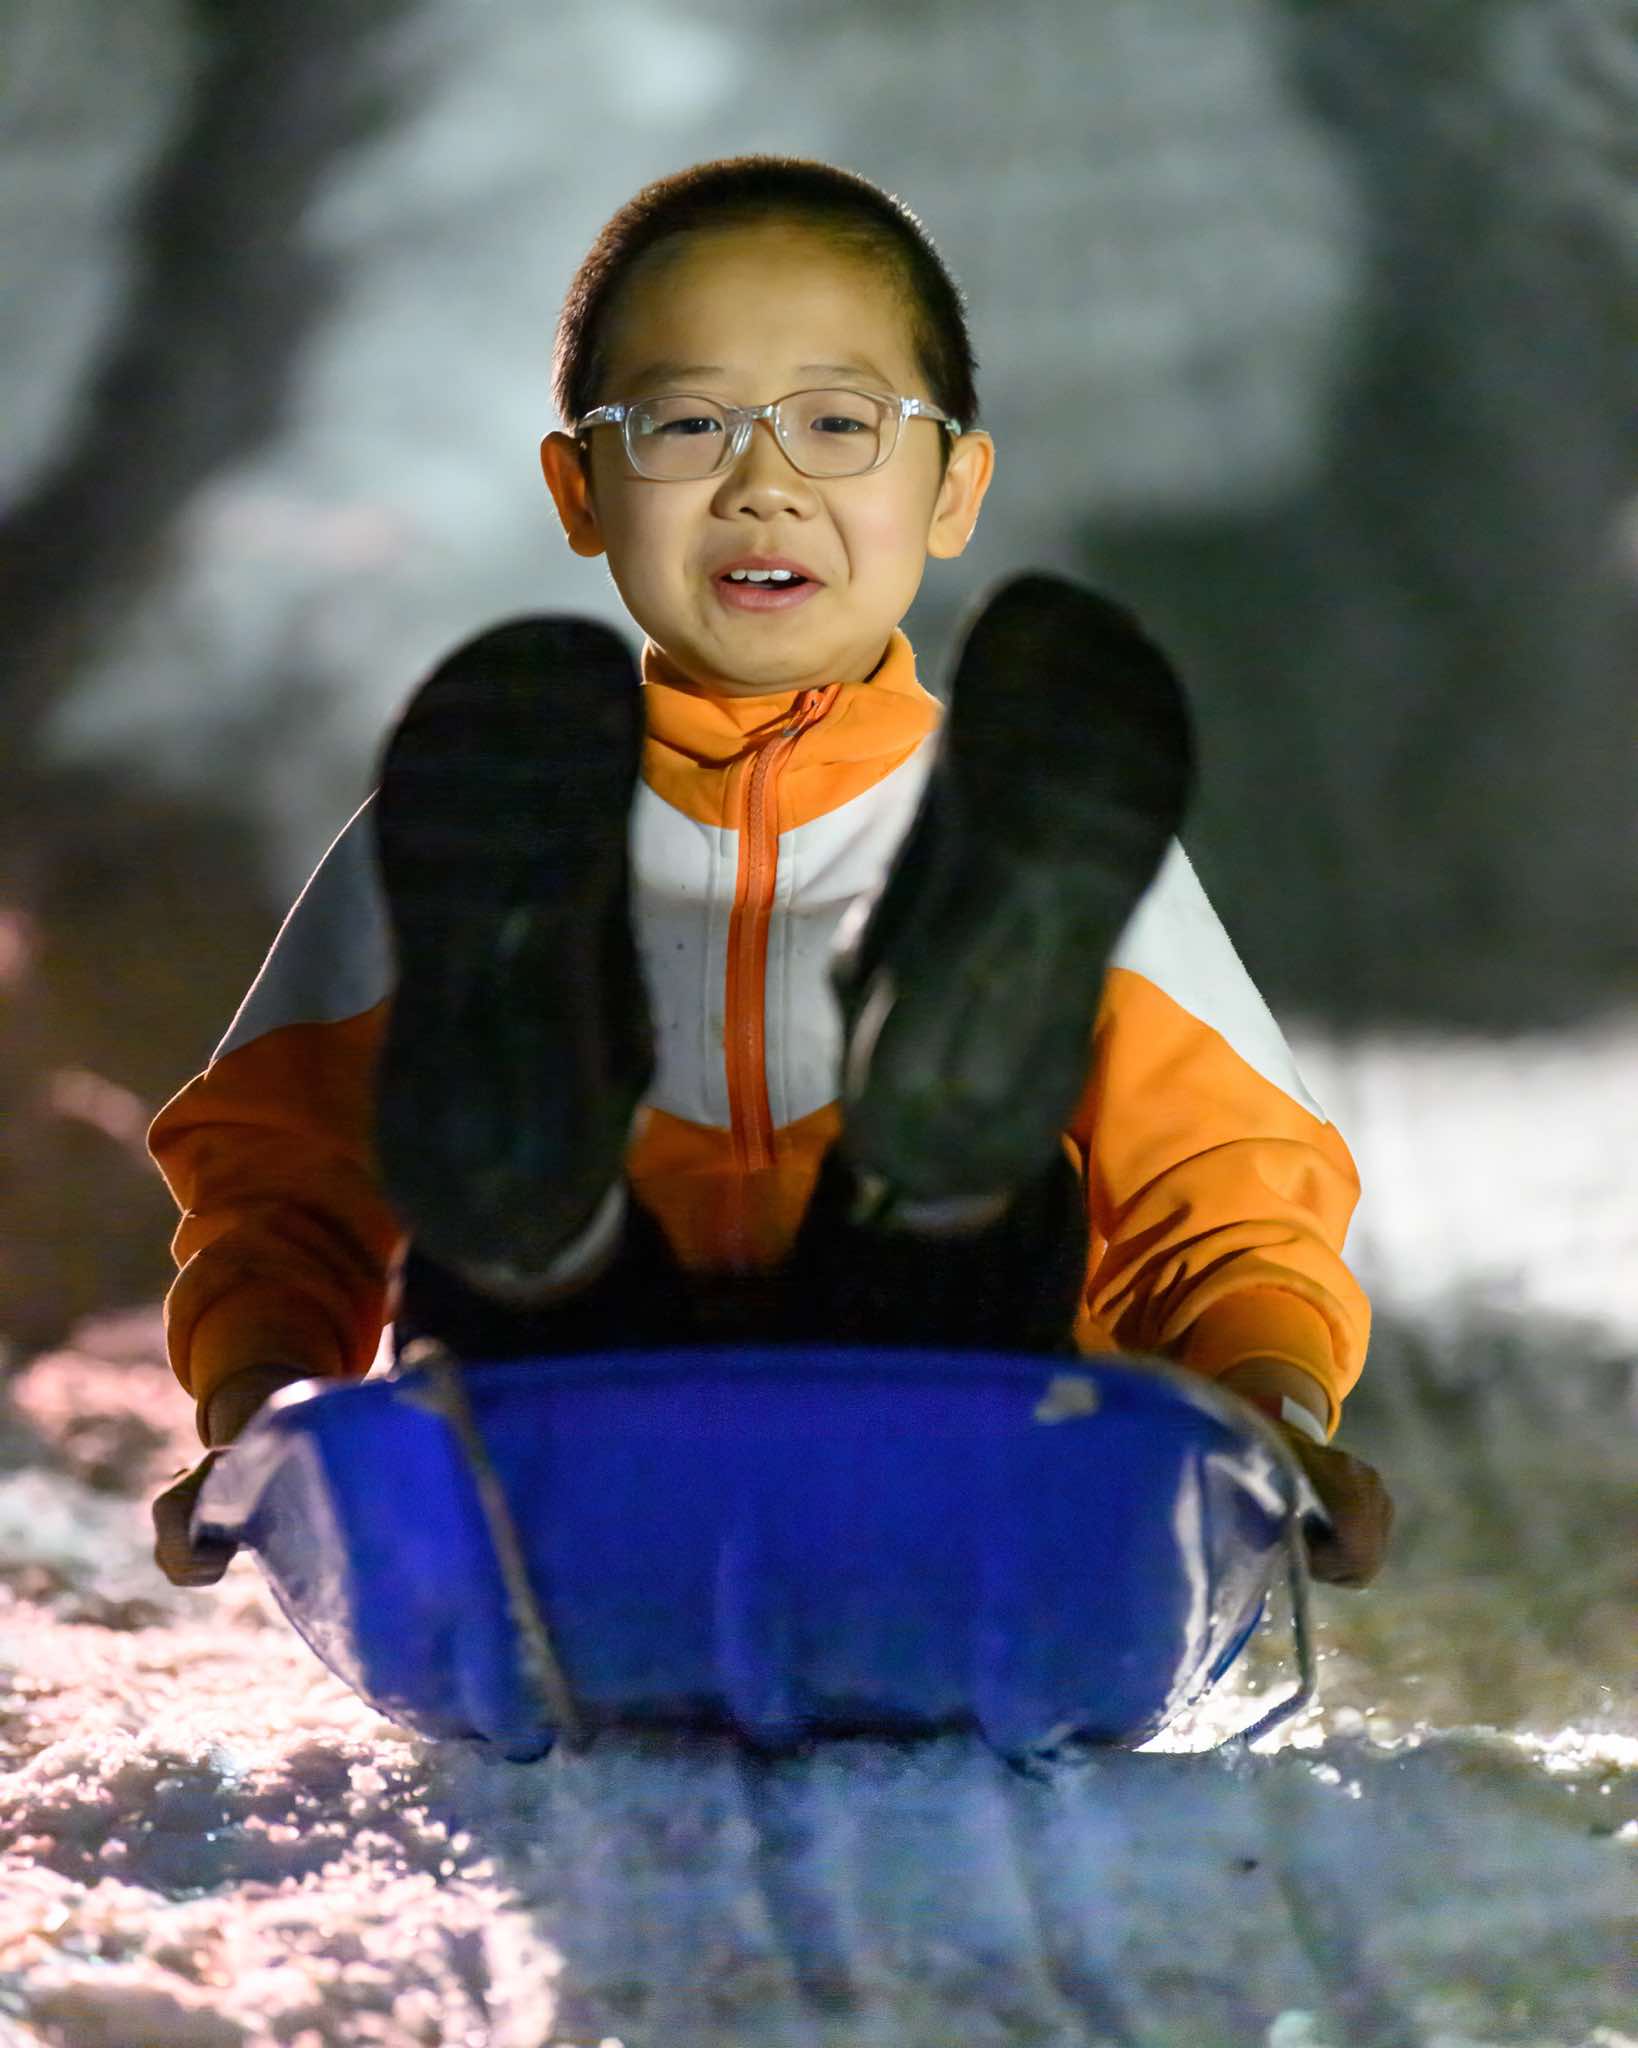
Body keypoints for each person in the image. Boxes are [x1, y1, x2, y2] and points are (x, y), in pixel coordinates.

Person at [151, 154, 1391, 1596]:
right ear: (578, 488)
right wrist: (259, 1411)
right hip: (659, 1505)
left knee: (974, 1251)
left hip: (858, 1482)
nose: (762, 484)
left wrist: (1269, 1415)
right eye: (687, 424)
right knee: (508, 1260)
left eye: (837, 424)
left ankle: (888, 1189)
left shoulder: (1037, 827)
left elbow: (1225, 1199)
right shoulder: (478, 826)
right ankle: (586, 1202)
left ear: (955, 488)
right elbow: (284, 1182)